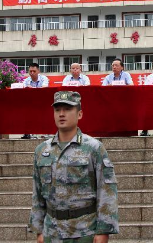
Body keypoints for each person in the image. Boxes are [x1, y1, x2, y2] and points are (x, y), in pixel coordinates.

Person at [28, 91, 119, 243]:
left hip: (84, 231)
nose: (61, 114)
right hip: (52, 231)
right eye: (57, 110)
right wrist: (38, 230)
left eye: (68, 109)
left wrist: (103, 231)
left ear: (80, 114)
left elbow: (107, 190)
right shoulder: (42, 150)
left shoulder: (94, 148)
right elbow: (37, 193)